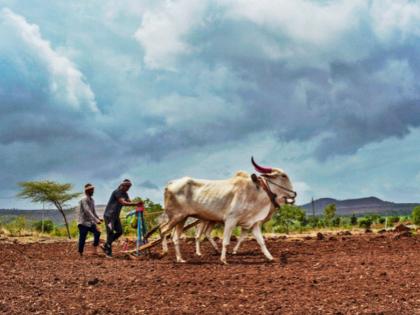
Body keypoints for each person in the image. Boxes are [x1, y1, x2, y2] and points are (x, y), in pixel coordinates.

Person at [102, 179, 142, 258]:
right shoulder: (117, 192)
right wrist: (136, 204)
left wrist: (137, 205)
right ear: (122, 185)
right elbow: (123, 202)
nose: (128, 188)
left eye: (129, 187)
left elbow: (129, 201)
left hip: (116, 216)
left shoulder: (125, 194)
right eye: (127, 186)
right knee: (110, 232)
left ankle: (106, 244)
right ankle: (108, 252)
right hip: (109, 216)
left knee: (120, 231)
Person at [77, 183, 102, 257]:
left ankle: (94, 250)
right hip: (83, 223)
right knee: (83, 238)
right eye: (91, 190)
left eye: (93, 190)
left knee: (97, 232)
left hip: (90, 222)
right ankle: (80, 252)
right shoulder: (83, 199)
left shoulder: (92, 200)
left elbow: (93, 211)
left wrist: (98, 218)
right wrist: (96, 220)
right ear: (87, 191)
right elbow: (87, 211)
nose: (93, 191)